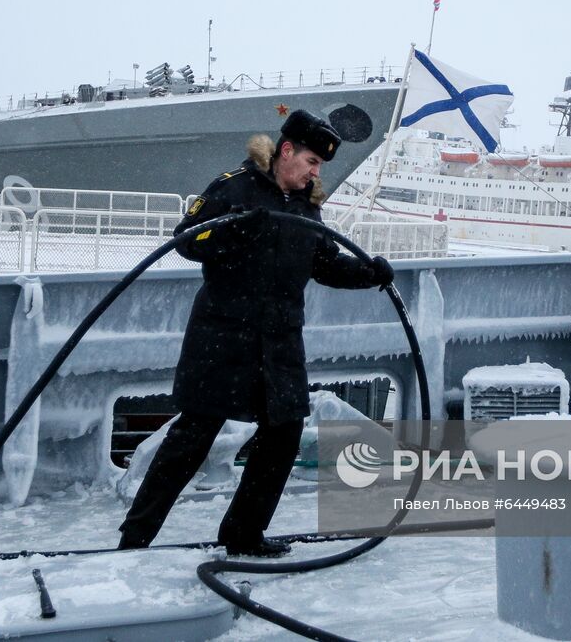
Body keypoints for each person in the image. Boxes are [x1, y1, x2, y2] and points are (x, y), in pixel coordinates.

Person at [117, 109, 394, 557]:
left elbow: (323, 264)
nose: (314, 172)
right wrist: (238, 230)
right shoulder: (234, 187)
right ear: (286, 152)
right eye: (311, 162)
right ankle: (134, 539)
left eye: (319, 167)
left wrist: (369, 273)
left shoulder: (307, 208)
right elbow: (188, 239)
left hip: (279, 343)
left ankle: (243, 535)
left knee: (283, 436)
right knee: (191, 440)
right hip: (222, 340)